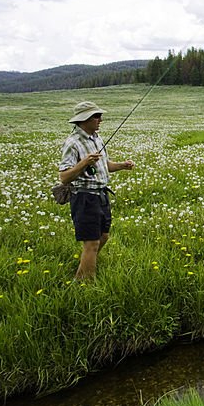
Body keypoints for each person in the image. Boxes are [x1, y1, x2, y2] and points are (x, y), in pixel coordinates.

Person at [58, 101, 135, 279]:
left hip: (101, 195)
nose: (100, 120)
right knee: (91, 243)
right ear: (84, 119)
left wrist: (122, 165)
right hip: (84, 198)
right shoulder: (73, 143)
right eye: (96, 116)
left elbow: (105, 165)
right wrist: (84, 162)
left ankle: (82, 272)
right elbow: (64, 177)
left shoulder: (96, 138)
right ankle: (86, 284)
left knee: (103, 237)